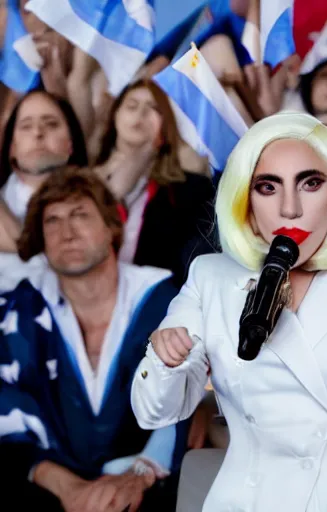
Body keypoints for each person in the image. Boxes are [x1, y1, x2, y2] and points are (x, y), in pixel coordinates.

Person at [131, 111, 327, 511]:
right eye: (267, 187)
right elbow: (156, 411)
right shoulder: (211, 277)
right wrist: (164, 358)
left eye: (310, 183)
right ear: (247, 208)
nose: (289, 208)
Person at [0, 168, 187, 511]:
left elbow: (186, 405)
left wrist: (140, 474)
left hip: (152, 489)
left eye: (80, 215)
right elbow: (5, 408)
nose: (66, 232)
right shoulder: (22, 308)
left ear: (111, 226)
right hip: (49, 492)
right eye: (51, 221)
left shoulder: (165, 299)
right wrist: (68, 489)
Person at [94, 79, 216, 287]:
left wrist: (148, 153)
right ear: (115, 115)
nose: (140, 114)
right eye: (131, 106)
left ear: (167, 122)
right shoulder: (82, 182)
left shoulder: (192, 190)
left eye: (153, 108)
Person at [0, 89, 89, 291]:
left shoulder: (97, 202)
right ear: (12, 147)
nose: (38, 133)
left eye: (51, 124)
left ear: (70, 145)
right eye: (26, 126)